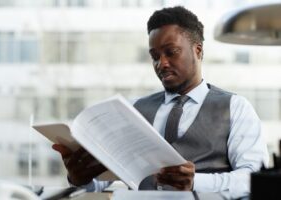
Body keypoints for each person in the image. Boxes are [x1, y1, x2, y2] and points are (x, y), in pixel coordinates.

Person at [52, 6, 269, 199]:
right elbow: (102, 183)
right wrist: (80, 179)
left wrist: (197, 182)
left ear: (198, 50)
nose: (161, 63)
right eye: (154, 56)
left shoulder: (235, 108)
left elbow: (253, 179)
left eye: (170, 52)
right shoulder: (133, 110)